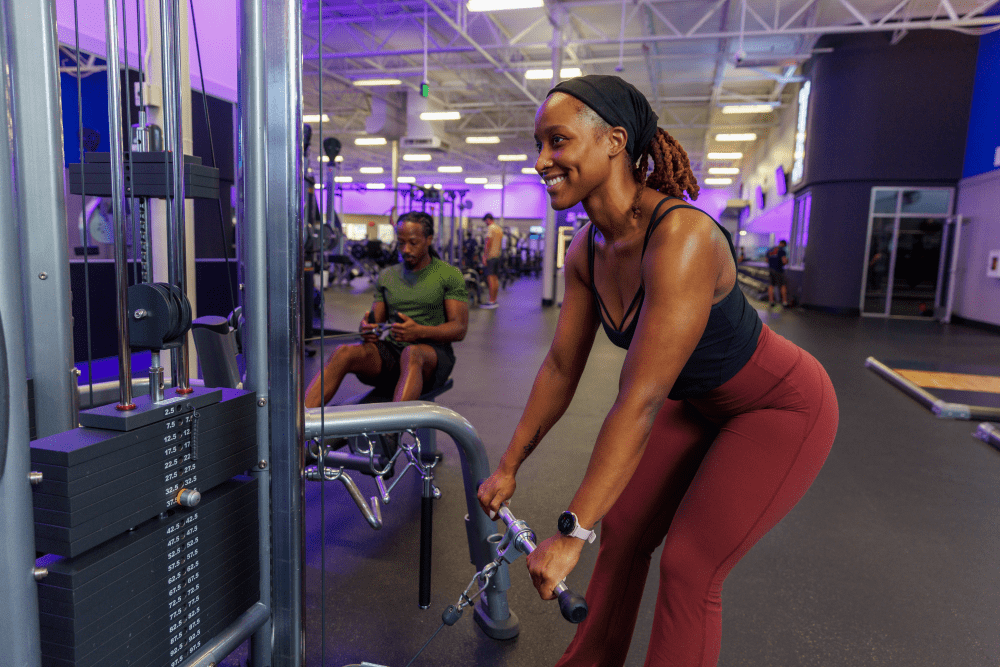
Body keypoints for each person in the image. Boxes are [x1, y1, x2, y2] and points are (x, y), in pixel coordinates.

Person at [477, 75, 839, 667]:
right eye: (538, 145)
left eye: (557, 142)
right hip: (694, 401)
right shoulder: (586, 250)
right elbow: (563, 365)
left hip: (777, 406)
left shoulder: (682, 237)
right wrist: (509, 466)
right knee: (622, 532)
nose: (541, 161)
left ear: (614, 141)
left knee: (691, 567)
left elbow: (640, 399)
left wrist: (570, 533)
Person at [304, 211, 468, 408]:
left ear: (429, 239)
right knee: (343, 352)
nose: (406, 249)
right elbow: (375, 322)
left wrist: (419, 331)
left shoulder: (448, 274)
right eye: (401, 243)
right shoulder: (388, 276)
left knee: (412, 353)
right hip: (392, 355)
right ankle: (299, 426)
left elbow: (459, 329)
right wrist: (367, 329)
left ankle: (391, 433)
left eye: (413, 243)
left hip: (432, 356)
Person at [481, 212, 503, 308]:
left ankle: (491, 301)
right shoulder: (499, 229)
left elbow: (488, 242)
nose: (485, 223)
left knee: (490, 279)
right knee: (495, 279)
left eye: (485, 221)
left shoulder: (490, 228)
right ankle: (494, 300)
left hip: (490, 257)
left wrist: (484, 256)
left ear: (488, 220)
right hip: (497, 256)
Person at [766, 239, 789, 307]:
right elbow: (784, 261)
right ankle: (784, 302)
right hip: (779, 270)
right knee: (783, 285)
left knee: (771, 285)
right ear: (784, 244)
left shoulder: (770, 250)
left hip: (771, 270)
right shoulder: (782, 250)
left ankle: (771, 301)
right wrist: (787, 261)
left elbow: (767, 260)